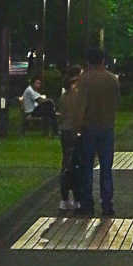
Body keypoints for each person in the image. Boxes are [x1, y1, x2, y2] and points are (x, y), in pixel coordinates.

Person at [70, 45, 120, 217]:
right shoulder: (112, 79)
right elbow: (116, 102)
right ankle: (107, 204)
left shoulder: (84, 80)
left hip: (89, 127)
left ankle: (87, 204)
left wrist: (76, 126)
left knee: (87, 167)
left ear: (88, 61)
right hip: (107, 126)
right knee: (106, 167)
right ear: (103, 60)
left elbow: (80, 106)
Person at [57, 70, 82, 212]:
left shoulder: (63, 97)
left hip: (65, 132)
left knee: (66, 164)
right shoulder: (78, 98)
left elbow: (61, 115)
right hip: (75, 132)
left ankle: (64, 198)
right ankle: (77, 199)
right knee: (77, 165)